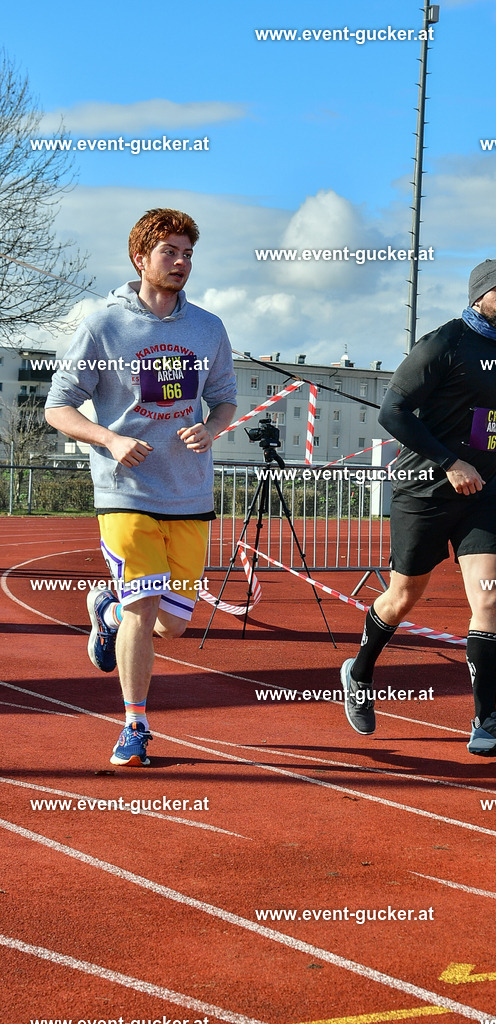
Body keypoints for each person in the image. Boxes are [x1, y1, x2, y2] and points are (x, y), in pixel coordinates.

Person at [45, 208, 237, 767]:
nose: (181, 263)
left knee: (171, 625)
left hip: (190, 493)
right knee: (142, 606)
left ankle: (104, 612)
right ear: (140, 258)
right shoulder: (103, 324)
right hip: (125, 490)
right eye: (169, 252)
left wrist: (213, 425)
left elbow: (225, 397)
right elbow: (59, 408)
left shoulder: (208, 327)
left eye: (187, 254)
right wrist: (108, 439)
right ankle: (135, 724)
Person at [340, 259, 496, 757]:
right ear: (478, 296)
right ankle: (359, 671)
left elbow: (495, 421)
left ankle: (485, 721)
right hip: (425, 491)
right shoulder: (442, 344)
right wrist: (450, 461)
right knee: (403, 596)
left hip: (484, 494)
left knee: (489, 599)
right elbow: (393, 412)